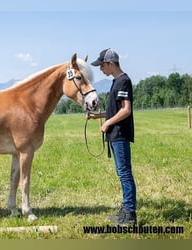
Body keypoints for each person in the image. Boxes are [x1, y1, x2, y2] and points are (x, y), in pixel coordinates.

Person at [89, 48, 137, 225]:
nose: (101, 69)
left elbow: (126, 110)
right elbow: (114, 111)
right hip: (115, 135)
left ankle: (130, 214)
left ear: (110, 63)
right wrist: (98, 117)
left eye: (102, 65)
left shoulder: (124, 81)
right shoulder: (115, 82)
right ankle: (125, 210)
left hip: (120, 135)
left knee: (125, 173)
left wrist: (108, 123)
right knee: (121, 172)